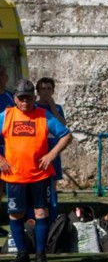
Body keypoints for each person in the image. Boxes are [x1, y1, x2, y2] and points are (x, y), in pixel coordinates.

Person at [0, 79, 71, 262]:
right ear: (15, 98)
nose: (25, 102)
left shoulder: (43, 116)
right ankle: (22, 253)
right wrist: (1, 160)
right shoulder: (6, 116)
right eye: (21, 98)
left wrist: (51, 154)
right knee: (16, 214)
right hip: (15, 175)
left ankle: (41, 254)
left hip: (40, 175)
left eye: (29, 98)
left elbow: (66, 135)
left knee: (41, 212)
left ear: (34, 98)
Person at [35, 77, 66, 217]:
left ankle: (53, 214)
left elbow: (63, 125)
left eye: (49, 89)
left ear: (53, 91)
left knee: (53, 183)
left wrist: (52, 106)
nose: (46, 92)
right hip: (38, 147)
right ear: (38, 91)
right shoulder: (34, 107)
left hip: (53, 147)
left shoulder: (57, 107)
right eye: (43, 89)